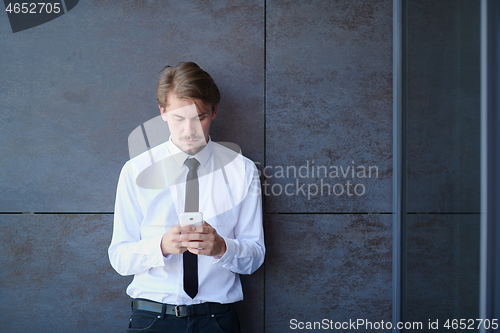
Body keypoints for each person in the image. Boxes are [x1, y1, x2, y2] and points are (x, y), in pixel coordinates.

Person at [108, 62, 265, 332]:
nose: (189, 130)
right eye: (179, 118)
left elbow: (255, 256)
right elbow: (120, 257)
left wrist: (222, 248)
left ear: (214, 112)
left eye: (199, 117)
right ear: (163, 112)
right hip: (151, 317)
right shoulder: (136, 170)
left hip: (217, 320)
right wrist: (161, 246)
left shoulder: (242, 170)